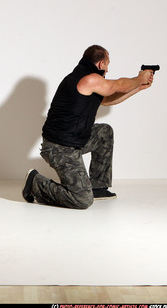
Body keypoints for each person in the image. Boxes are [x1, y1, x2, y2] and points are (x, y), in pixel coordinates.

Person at [22, 45, 154, 209]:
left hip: (75, 139)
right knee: (82, 199)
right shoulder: (89, 79)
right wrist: (139, 78)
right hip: (60, 148)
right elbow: (118, 85)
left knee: (104, 132)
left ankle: (98, 186)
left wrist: (138, 87)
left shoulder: (85, 80)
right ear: (100, 64)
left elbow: (107, 100)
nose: (107, 69)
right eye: (107, 64)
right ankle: (35, 182)